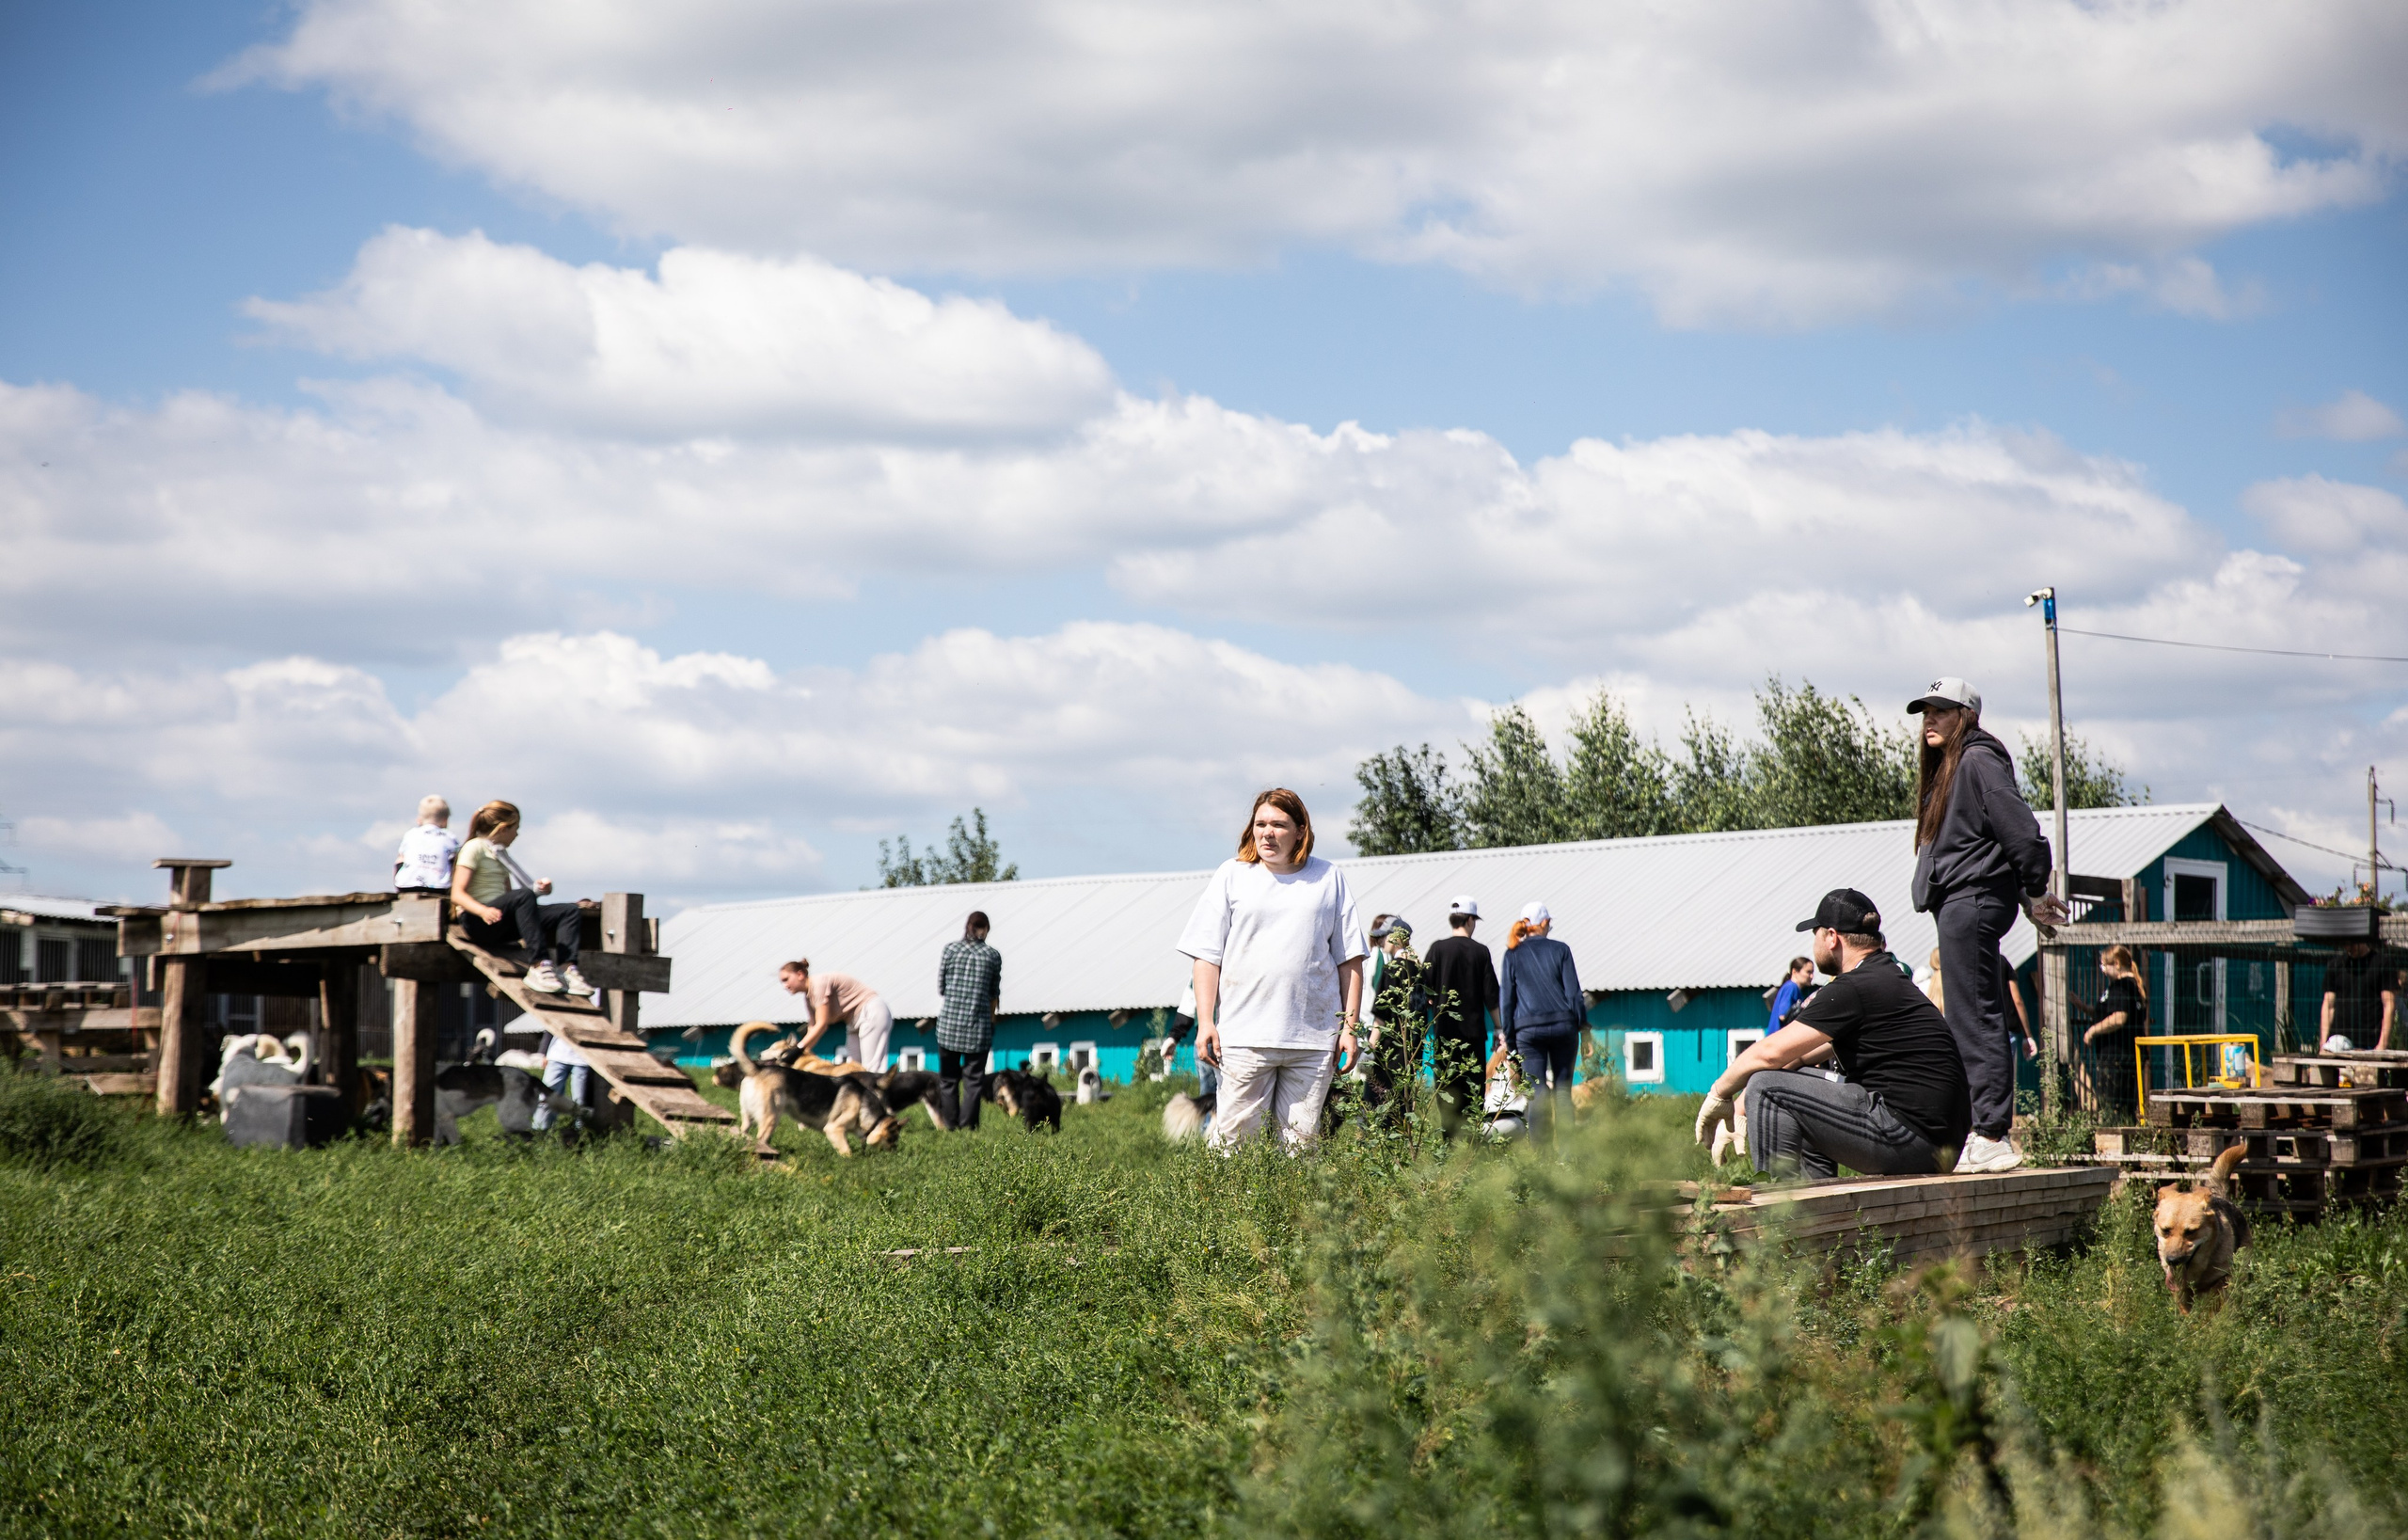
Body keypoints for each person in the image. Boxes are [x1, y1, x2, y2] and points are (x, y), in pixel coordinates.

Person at [1696, 889, 1971, 1180]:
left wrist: (1719, 1093)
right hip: (1939, 1141)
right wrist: (1740, 1108)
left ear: (1831, 937)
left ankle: (1779, 1204)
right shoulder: (1887, 977)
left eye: (1814, 934)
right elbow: (1797, 1057)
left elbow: (1770, 1053)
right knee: (1791, 1086)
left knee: (1766, 1087)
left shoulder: (1854, 986)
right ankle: (1819, 1193)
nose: (1813, 944)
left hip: (1911, 1138)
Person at [1908, 676, 2066, 1174]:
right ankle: (1977, 1130)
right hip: (1961, 904)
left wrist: (2035, 890)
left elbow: (2019, 831)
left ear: (1967, 716)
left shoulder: (1977, 759)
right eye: (1925, 712)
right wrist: (2025, 895)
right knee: (1966, 1017)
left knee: (1976, 1017)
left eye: (1941, 710)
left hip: (1970, 903)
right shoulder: (1954, 766)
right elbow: (1988, 843)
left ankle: (1992, 1134)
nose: (1930, 719)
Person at [1177, 788, 1366, 1152]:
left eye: (1278, 825)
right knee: (1234, 1148)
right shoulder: (1232, 875)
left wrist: (1350, 1028)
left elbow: (1350, 961)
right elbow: (1206, 956)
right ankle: (1232, 1195)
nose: (1267, 832)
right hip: (1243, 1037)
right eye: (1260, 824)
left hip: (1312, 1041)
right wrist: (1205, 1022)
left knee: (1300, 1149)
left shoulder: (1328, 877)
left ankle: (1291, 1196)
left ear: (1300, 830)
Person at [450, 801, 592, 997]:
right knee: (524, 895)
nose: (517, 834)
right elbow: (457, 894)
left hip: (499, 921)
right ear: (503, 828)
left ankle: (566, 969)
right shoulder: (474, 848)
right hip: (478, 921)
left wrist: (537, 890)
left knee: (568, 911)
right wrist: (483, 911)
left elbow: (510, 896)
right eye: (515, 828)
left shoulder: (499, 853)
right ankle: (539, 965)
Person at [1498, 900, 1583, 1136]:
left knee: (1537, 1090)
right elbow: (1574, 994)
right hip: (1563, 1027)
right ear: (1544, 923)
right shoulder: (1561, 950)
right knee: (1563, 1091)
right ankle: (1568, 1153)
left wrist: (1511, 1040)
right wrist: (1583, 1026)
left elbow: (1507, 1000)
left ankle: (1540, 1155)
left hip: (1528, 1031)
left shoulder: (1512, 954)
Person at [1424, 897, 1499, 1137]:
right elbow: (1491, 996)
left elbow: (1424, 990)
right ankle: (1471, 1146)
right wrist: (1499, 1028)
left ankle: (1448, 1144)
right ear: (1469, 920)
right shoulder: (1481, 951)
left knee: (1446, 1091)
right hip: (1473, 1037)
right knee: (1473, 1094)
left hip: (1445, 1035)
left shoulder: (1437, 949)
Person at [935, 911, 1003, 1129]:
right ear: (986, 929)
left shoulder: (950, 950)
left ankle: (950, 1125)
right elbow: (993, 994)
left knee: (948, 1080)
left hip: (949, 1027)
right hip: (978, 1029)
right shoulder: (992, 956)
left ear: (967, 927)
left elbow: (941, 988)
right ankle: (968, 1127)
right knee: (973, 1081)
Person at [1362, 916, 1428, 1128]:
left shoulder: (1392, 970)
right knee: (1403, 1107)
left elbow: (1380, 1016)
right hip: (1411, 1052)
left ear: (1396, 938)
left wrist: (1369, 1050)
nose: (1381, 941)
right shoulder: (1419, 971)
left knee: (1376, 1109)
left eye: (1385, 936)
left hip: (1388, 1052)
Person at [2074, 945, 2148, 1119]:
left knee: (2115, 1107)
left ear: (2116, 964)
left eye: (2104, 965)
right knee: (2123, 1107)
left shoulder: (2122, 987)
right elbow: (2106, 1013)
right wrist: (2082, 1006)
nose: (2102, 970)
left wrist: (2092, 1031)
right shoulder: (2127, 986)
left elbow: (2119, 1018)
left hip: (2118, 1057)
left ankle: (2115, 1133)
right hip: (2121, 1056)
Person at [782, 960, 892, 1072]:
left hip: (870, 1011)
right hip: (852, 1020)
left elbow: (822, 1024)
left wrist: (798, 1050)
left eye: (786, 979)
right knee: (854, 1069)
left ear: (800, 974)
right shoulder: (808, 997)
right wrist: (800, 1053)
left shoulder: (818, 984)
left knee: (872, 1068)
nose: (785, 986)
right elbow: (812, 1029)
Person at [2321, 940, 2399, 1051]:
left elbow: (2389, 1005)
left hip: (2371, 1042)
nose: (2348, 947)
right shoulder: (2335, 965)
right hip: (2338, 1042)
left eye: (2352, 943)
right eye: (2345, 944)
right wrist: (2323, 1044)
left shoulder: (2383, 963)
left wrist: (2382, 1045)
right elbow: (2328, 1006)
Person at [394, 795, 458, 892]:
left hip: (406, 886)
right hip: (439, 887)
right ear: (445, 820)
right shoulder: (450, 837)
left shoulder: (411, 834)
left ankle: (399, 881)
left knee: (401, 858)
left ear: (419, 819)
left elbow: (401, 857)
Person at [1768, 956, 1815, 1030]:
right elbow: (1783, 1016)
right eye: (1808, 972)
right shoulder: (1791, 987)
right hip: (1781, 1035)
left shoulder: (1792, 988)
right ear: (1794, 972)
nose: (1812, 976)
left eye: (1812, 972)